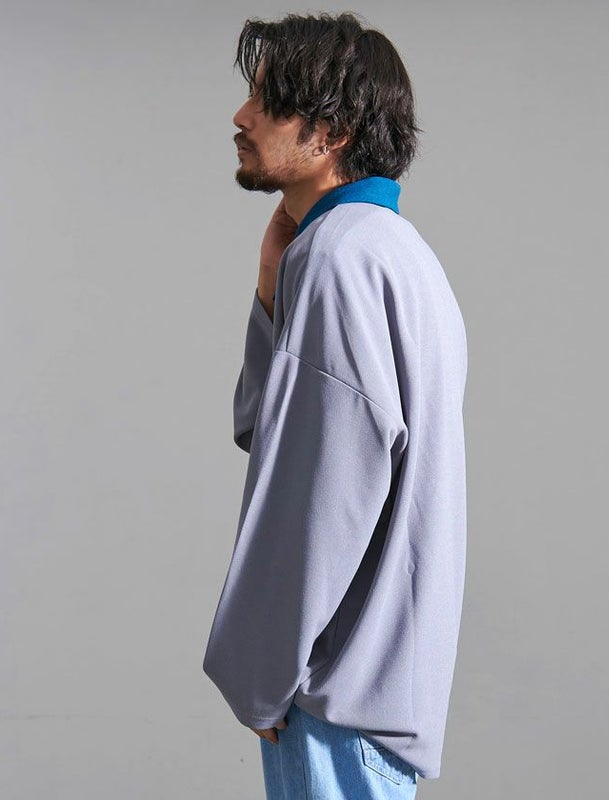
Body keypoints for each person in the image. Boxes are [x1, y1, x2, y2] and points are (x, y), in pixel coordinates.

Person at [202, 11, 468, 798]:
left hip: (331, 697)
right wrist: (270, 286)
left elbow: (320, 493)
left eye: (268, 102)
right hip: (372, 689)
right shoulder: (394, 251)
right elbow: (275, 430)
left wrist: (260, 672)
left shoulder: (340, 257)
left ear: (334, 132)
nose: (241, 117)